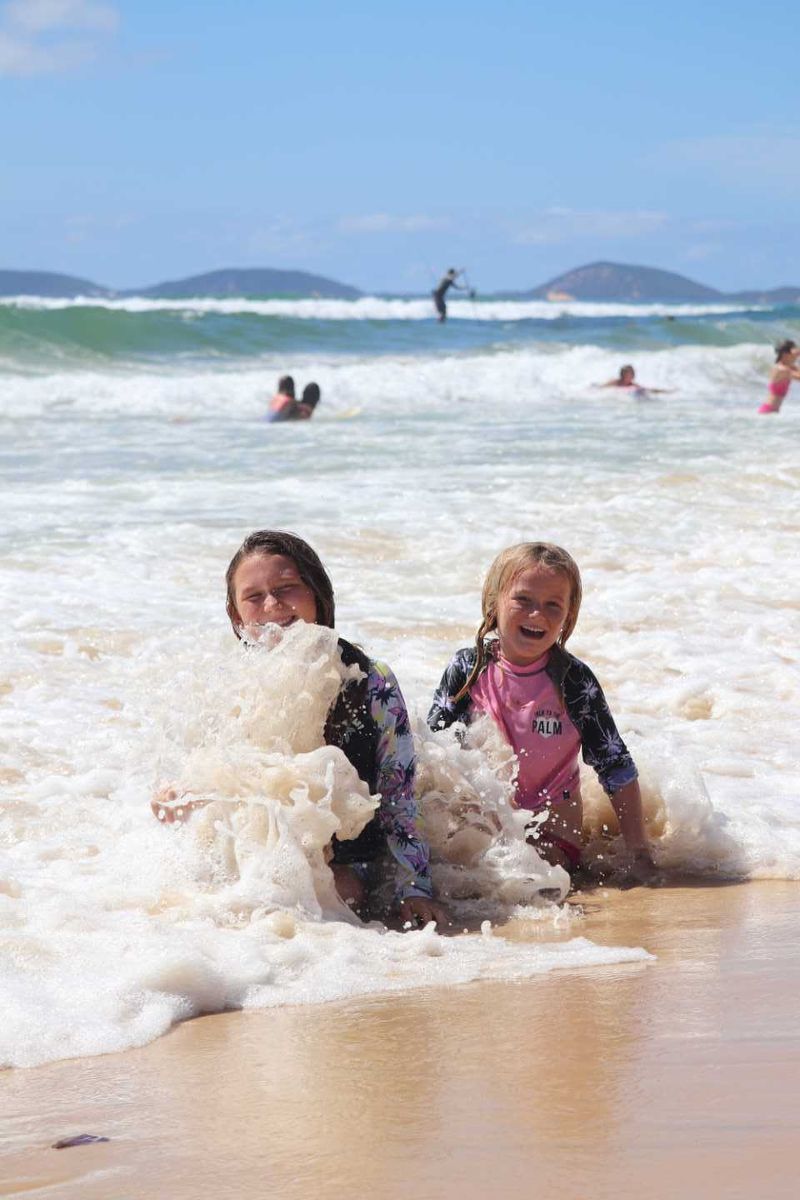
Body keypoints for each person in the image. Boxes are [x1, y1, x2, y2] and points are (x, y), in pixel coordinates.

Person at [152, 530, 446, 928]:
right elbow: (226, 774)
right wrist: (182, 794)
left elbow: (399, 794)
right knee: (206, 898)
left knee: (336, 896)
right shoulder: (233, 682)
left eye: (287, 589)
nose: (272, 606)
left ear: (318, 598)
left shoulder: (369, 680)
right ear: (237, 615)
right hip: (269, 849)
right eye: (253, 597)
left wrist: (415, 887)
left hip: (353, 857)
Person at [428, 542, 657, 885]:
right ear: (494, 602)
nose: (538, 615)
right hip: (482, 823)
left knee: (528, 882)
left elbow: (615, 765)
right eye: (523, 600)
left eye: (553, 605)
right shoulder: (467, 669)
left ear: (568, 616)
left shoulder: (573, 682)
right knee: (459, 874)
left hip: (552, 832)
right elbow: (432, 753)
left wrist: (640, 854)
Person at [759, 340, 800, 414]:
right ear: (785, 354)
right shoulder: (781, 369)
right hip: (768, 411)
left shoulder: (790, 367)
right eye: (795, 349)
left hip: (773, 412)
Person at [597, 365, 670, 395]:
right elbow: (601, 387)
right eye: (627, 374)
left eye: (631, 374)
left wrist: (664, 391)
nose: (629, 376)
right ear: (622, 375)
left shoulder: (632, 385)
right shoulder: (616, 382)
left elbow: (647, 389)